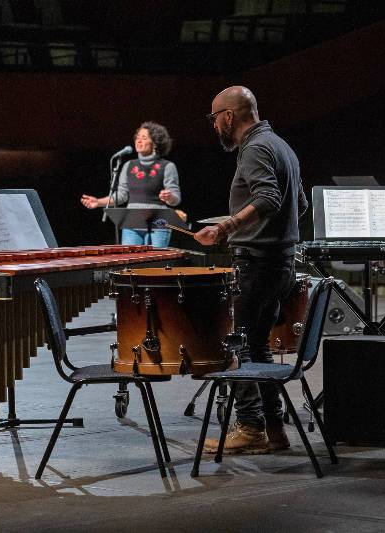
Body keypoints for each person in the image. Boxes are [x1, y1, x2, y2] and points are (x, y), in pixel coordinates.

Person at [195, 86, 309, 454]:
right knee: (256, 345)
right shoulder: (281, 146)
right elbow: (300, 205)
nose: (214, 126)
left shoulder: (257, 148)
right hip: (280, 263)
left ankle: (249, 427)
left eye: (214, 118)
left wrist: (226, 227)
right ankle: (274, 429)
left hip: (258, 263)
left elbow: (269, 199)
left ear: (229, 116)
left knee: (236, 344)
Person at [80, 121, 182, 247]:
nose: (139, 141)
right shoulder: (128, 166)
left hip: (158, 224)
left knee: (155, 263)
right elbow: (121, 195)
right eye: (137, 137)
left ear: (155, 142)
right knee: (131, 263)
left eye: (144, 138)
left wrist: (169, 197)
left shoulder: (167, 166)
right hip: (132, 223)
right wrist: (98, 202)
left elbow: (175, 199)